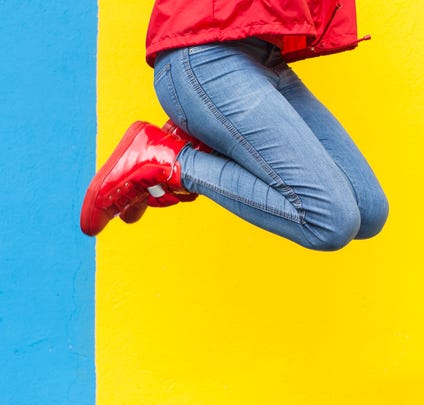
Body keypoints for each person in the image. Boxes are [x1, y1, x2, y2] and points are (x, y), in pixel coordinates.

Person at [80, 0, 388, 251]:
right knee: (331, 221)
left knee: (370, 210)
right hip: (205, 52)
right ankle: (169, 162)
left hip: (264, 57)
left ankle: (189, 140)